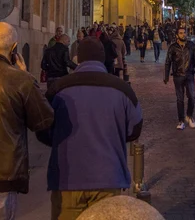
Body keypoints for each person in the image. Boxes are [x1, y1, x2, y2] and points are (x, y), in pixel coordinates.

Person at [38, 37, 142, 220]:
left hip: (67, 179)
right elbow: (134, 130)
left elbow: (42, 128)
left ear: (78, 59)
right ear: (102, 59)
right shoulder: (122, 89)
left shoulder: (58, 90)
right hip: (109, 177)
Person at [0, 22, 54, 220]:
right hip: (0, 178)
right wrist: (27, 77)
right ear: (15, 49)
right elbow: (44, 120)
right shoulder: (20, 80)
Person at [164, 26, 195, 130]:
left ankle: (189, 116)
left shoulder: (191, 46)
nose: (183, 34)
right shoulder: (173, 47)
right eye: (180, 33)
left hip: (189, 75)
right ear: (177, 35)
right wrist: (166, 76)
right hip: (178, 76)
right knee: (180, 99)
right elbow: (168, 62)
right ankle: (181, 120)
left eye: (184, 32)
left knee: (192, 96)